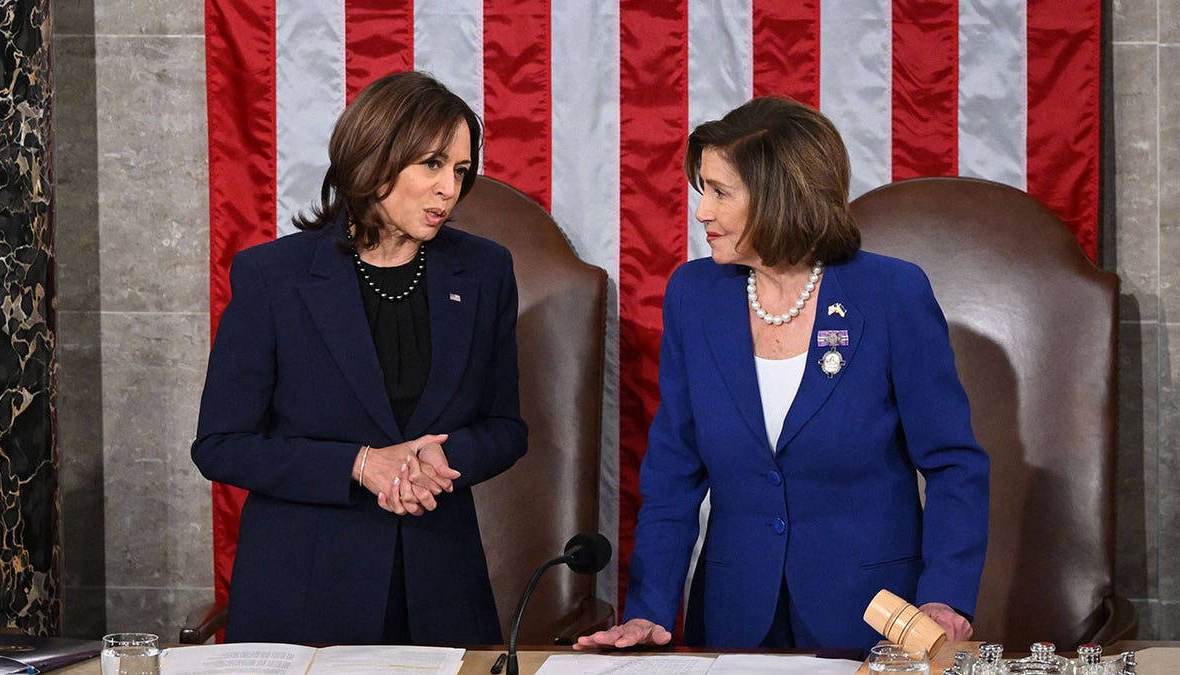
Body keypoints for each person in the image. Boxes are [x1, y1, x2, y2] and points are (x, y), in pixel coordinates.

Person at [576, 97, 989, 652]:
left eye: (721, 193)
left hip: (874, 621)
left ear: (779, 197)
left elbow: (953, 463)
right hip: (733, 619)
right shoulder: (694, 296)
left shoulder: (890, 294)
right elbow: (673, 474)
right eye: (705, 191)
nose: (702, 212)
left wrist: (945, 595)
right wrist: (650, 608)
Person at [191, 71, 527, 646]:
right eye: (432, 165)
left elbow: (505, 427)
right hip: (306, 593)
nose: (450, 188)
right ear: (373, 161)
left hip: (442, 588)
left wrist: (437, 459)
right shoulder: (274, 277)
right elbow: (221, 445)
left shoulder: (484, 271)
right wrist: (360, 463)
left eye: (461, 171)